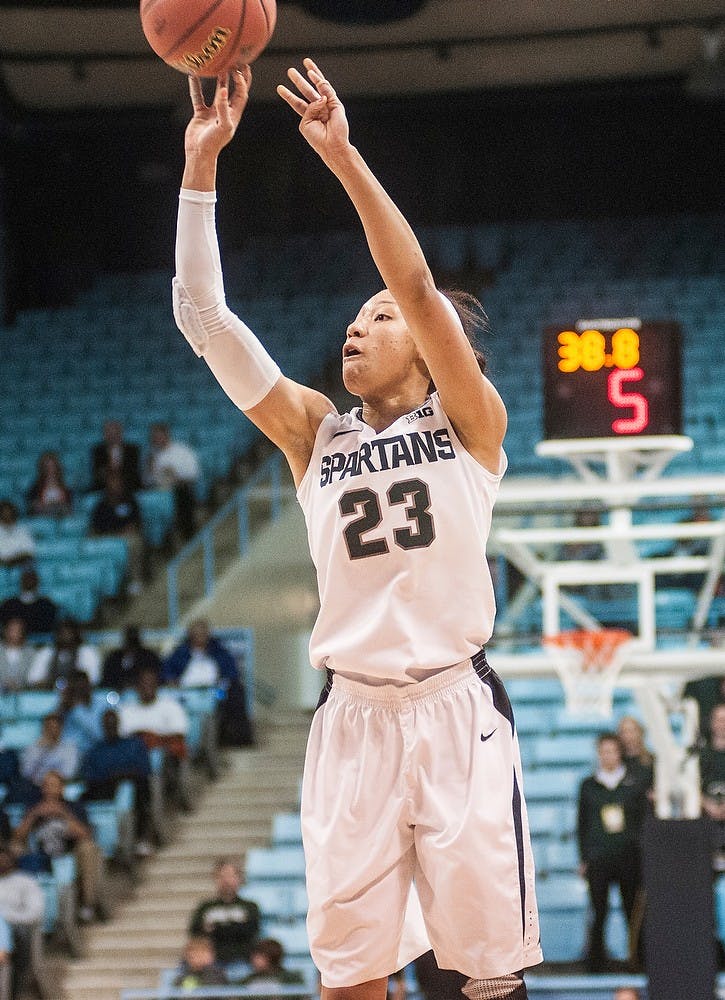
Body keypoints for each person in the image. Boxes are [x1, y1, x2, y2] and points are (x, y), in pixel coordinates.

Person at [173, 59, 539, 1000]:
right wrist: (200, 169)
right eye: (353, 317)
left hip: (456, 712)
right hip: (352, 720)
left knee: (487, 979)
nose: (357, 326)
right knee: (350, 979)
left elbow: (416, 284)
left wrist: (341, 158)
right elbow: (204, 318)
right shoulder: (312, 434)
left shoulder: (469, 422)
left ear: (426, 350)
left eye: (377, 318)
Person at [577, 733, 647, 972]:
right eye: (603, 751)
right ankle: (596, 962)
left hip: (628, 857)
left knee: (632, 910)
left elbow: (642, 821)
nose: (608, 756)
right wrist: (584, 857)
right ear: (598, 754)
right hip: (599, 858)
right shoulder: (588, 786)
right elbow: (582, 824)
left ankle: (638, 960)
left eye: (612, 751)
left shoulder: (634, 783)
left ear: (619, 753)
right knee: (599, 910)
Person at [11, 770, 104, 923]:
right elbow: (18, 836)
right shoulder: (34, 807)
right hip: (40, 853)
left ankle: (88, 905)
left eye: (53, 785)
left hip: (69, 852)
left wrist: (63, 813)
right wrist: (34, 815)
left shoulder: (73, 806)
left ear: (62, 788)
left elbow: (85, 834)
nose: (49, 789)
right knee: (14, 849)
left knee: (88, 848)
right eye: (46, 785)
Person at [162, 618, 254, 748]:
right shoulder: (180, 653)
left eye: (202, 634)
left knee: (232, 694)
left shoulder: (219, 652)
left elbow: (231, 673)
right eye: (196, 635)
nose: (199, 638)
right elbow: (167, 671)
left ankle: (232, 738)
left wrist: (222, 682)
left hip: (215, 691)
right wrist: (172, 680)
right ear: (190, 636)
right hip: (187, 693)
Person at [80, 708, 154, 857]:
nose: (111, 726)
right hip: (104, 788)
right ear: (102, 726)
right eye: (107, 724)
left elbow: (144, 769)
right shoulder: (95, 751)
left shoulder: (133, 744)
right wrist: (113, 776)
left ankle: (141, 838)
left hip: (133, 786)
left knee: (142, 787)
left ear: (119, 724)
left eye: (113, 723)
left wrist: (122, 775)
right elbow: (91, 777)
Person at [188, 856, 260, 980]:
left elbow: (251, 931)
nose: (227, 880)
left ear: (239, 878)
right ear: (215, 879)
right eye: (222, 876)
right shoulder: (205, 907)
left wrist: (215, 928)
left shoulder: (250, 906)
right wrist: (235, 926)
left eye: (231, 876)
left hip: (243, 960)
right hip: (211, 963)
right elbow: (195, 933)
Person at [89, 469, 146, 596]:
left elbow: (135, 523)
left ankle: (135, 580)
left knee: (135, 542)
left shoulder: (130, 501)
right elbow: (96, 527)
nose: (114, 485)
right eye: (111, 482)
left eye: (117, 482)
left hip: (125, 537)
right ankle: (104, 587)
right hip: (106, 537)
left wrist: (122, 532)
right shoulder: (101, 505)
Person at [143, 422, 200, 541]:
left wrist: (175, 477)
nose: (156, 439)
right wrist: (150, 468)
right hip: (157, 492)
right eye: (154, 437)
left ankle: (186, 534)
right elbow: (147, 481)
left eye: (159, 436)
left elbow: (193, 474)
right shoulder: (151, 456)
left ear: (166, 435)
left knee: (182, 494)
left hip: (179, 489)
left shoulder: (182, 451)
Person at [0, 847, 45, 991]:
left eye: (4, 858)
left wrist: (6, 917)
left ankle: (17, 987)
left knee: (19, 934)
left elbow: (35, 913)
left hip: (16, 929)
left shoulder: (25, 881)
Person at [27, 618, 101, 689]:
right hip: (49, 695)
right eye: (62, 633)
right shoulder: (46, 652)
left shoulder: (87, 652)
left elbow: (94, 680)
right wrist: (50, 684)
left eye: (69, 633)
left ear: (76, 634)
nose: (66, 637)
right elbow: (33, 680)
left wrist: (72, 685)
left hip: (77, 696)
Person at [19, 712, 80, 788]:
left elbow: (69, 773)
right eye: (49, 728)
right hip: (35, 787)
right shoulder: (32, 748)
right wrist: (43, 751)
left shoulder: (70, 748)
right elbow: (26, 773)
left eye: (55, 728)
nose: (52, 731)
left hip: (61, 787)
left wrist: (50, 780)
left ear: (61, 729)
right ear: (43, 729)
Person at [101, 625, 162, 692]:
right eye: (130, 642)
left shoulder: (149, 657)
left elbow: (157, 678)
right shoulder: (114, 658)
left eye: (134, 643)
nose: (132, 646)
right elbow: (107, 681)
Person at [0, 567, 59, 637]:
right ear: (21, 580)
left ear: (37, 581)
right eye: (26, 577)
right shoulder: (9, 605)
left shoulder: (47, 606)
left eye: (32, 577)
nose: (29, 580)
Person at [58, 669, 103, 756]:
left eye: (82, 687)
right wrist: (63, 707)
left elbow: (99, 735)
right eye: (76, 688)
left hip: (95, 752)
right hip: (69, 753)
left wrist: (77, 709)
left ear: (89, 686)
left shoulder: (100, 705)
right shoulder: (64, 707)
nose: (80, 691)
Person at [90, 419, 142, 493]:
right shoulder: (98, 451)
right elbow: (98, 471)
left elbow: (133, 471)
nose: (112, 436)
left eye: (115, 432)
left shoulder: (132, 450)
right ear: (104, 434)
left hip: (128, 485)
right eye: (109, 433)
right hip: (104, 486)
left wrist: (118, 481)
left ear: (120, 433)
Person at [239, 937, 305, 987]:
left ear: (269, 957)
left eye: (258, 955)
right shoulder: (248, 980)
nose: (253, 959)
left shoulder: (292, 980)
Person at [25, 450, 73, 518]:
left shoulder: (66, 487)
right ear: (42, 468)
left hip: (62, 518)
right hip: (42, 519)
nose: (50, 469)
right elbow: (32, 507)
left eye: (52, 466)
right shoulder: (35, 488)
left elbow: (69, 507)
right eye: (47, 466)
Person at [616, 716, 654, 791]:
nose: (628, 736)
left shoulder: (652, 761)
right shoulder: (617, 762)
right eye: (624, 732)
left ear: (640, 733)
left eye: (631, 731)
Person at [0, 617, 36, 692]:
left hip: (24, 694)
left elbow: (34, 677)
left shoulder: (31, 653)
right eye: (12, 630)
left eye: (18, 630)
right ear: (5, 631)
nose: (15, 633)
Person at [0, 501, 35, 568]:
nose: (7, 515)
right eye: (3, 512)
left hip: (20, 565)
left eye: (9, 512)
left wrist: (12, 560)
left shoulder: (23, 530)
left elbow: (29, 551)